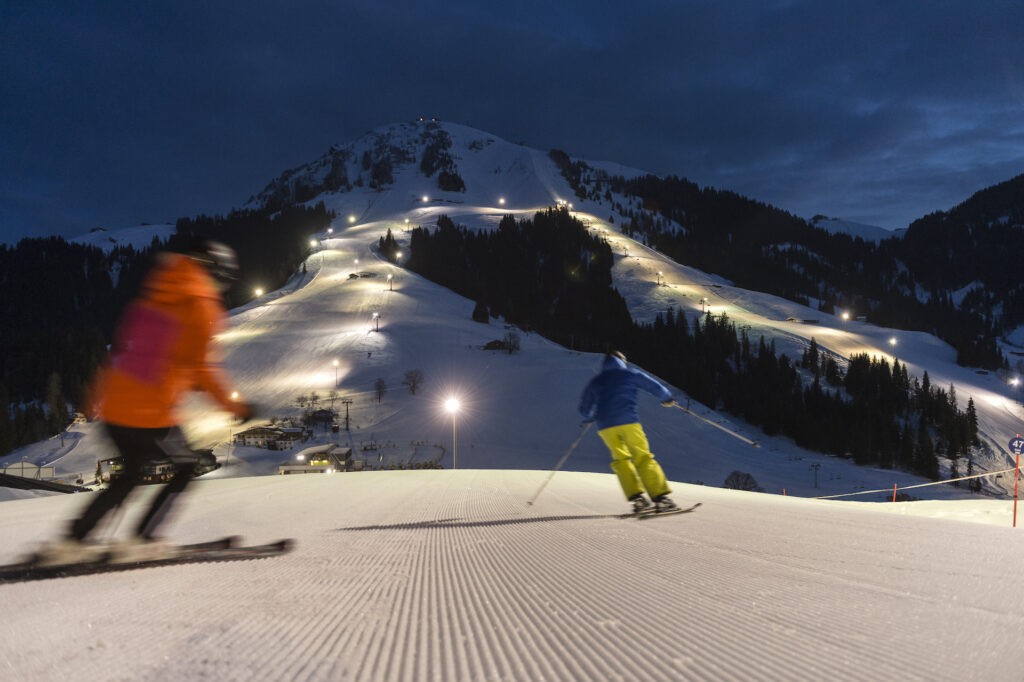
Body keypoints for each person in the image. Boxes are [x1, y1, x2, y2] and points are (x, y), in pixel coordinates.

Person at [32, 238, 253, 566]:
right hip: (150, 412)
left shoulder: (152, 296)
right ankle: (142, 539)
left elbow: (129, 352)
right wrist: (236, 407)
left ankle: (73, 541)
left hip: (115, 404)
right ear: (216, 273)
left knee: (132, 473)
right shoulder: (201, 304)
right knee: (187, 466)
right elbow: (200, 367)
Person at [578, 351, 678, 513]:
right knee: (642, 457)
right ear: (622, 361)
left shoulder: (596, 381)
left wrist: (591, 416)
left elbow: (584, 409)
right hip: (628, 421)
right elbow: (653, 386)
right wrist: (667, 398)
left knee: (621, 459)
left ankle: (637, 499)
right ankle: (660, 498)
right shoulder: (629, 374)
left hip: (605, 427)